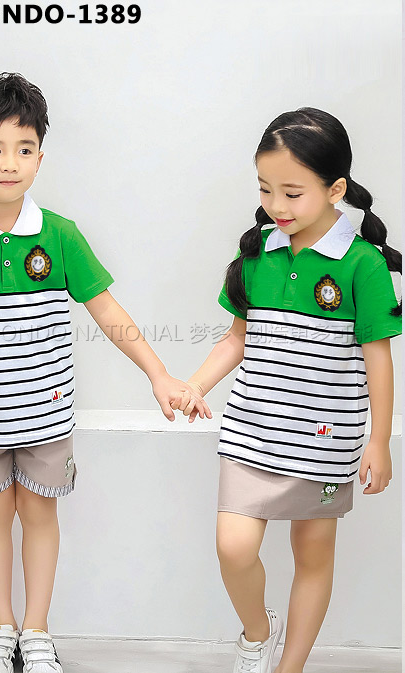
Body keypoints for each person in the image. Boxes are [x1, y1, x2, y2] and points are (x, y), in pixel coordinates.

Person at [0, 72, 211, 673]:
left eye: (24, 149)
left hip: (46, 417)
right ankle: (0, 629)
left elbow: (106, 310)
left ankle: (36, 631)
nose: (10, 163)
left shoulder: (60, 235)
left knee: (40, 516)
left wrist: (158, 374)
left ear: (40, 157)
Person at [173, 108, 402, 673]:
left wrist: (379, 440)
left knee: (313, 555)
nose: (277, 205)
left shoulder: (363, 264)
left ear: (335, 189)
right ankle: (258, 633)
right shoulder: (258, 253)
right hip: (251, 431)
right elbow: (236, 338)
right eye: (265, 189)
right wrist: (196, 384)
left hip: (325, 439)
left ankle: (289, 667)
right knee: (233, 547)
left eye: (292, 193)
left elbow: (378, 359)